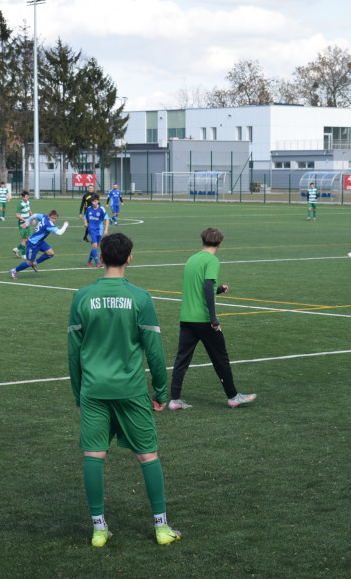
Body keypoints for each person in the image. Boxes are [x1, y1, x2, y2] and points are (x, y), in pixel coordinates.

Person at [68, 232, 182, 547]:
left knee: (94, 455)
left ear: (101, 258)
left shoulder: (82, 297)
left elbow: (73, 352)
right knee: (148, 456)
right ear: (130, 258)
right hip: (131, 390)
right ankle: (161, 528)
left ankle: (99, 529)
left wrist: (78, 393)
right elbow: (154, 351)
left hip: (93, 390)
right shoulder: (140, 298)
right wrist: (161, 392)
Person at [168, 227, 256, 410]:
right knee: (220, 358)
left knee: (182, 360)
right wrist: (214, 319)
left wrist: (219, 289)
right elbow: (207, 286)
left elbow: (198, 288)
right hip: (204, 319)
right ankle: (233, 397)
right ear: (220, 244)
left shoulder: (192, 259)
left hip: (187, 318)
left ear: (202, 241)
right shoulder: (212, 260)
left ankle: (174, 399)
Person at [10, 209, 67, 279]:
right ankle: (14, 270)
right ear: (49, 216)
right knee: (29, 262)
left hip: (40, 241)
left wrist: (27, 223)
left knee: (50, 253)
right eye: (52, 218)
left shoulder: (43, 217)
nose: (54, 220)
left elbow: (34, 215)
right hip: (33, 244)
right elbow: (59, 233)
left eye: (55, 218)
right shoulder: (49, 225)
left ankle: (35, 263)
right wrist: (65, 225)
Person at [84, 194, 109, 268]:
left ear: (98, 201)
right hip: (91, 229)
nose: (93, 203)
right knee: (94, 246)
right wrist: (86, 223)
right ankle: (97, 263)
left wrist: (106, 229)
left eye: (95, 201)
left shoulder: (102, 209)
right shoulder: (89, 209)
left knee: (95, 247)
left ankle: (89, 262)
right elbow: (85, 217)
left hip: (100, 230)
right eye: (92, 201)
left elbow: (107, 219)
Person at [13, 190, 33, 258]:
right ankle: (23, 255)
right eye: (26, 197)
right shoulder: (20, 204)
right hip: (22, 224)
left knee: (29, 239)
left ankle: (17, 249)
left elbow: (29, 210)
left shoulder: (28, 202)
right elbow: (17, 215)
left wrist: (32, 218)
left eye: (28, 196)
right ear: (23, 197)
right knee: (24, 239)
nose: (27, 198)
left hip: (28, 223)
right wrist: (25, 220)